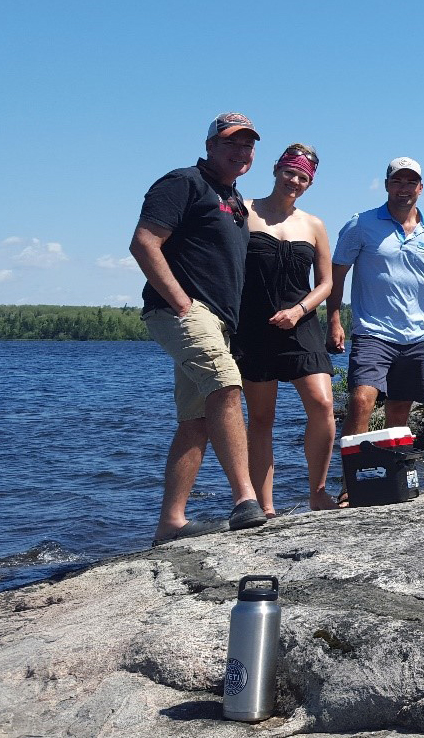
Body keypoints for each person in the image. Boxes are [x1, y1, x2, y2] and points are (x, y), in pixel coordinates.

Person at [129, 112, 267, 545]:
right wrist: (182, 303)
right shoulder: (183, 182)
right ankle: (246, 500)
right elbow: (143, 242)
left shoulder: (235, 200)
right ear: (210, 146)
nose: (240, 151)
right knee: (227, 386)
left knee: (196, 420)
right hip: (185, 312)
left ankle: (171, 523)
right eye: (231, 143)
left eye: (247, 145)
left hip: (219, 320)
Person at [234, 143, 337, 512]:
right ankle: (265, 506)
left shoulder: (314, 225)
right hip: (253, 327)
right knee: (262, 418)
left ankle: (318, 492)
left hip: (301, 324)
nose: (295, 181)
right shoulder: (243, 211)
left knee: (323, 405)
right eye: (290, 172)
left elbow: (325, 283)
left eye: (303, 177)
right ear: (276, 169)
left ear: (310, 183)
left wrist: (298, 311)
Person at [327, 157, 424, 446]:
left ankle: (390, 480)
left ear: (421, 188)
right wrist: (334, 319)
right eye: (397, 181)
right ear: (386, 185)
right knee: (362, 400)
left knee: (399, 411)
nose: (404, 187)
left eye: (411, 181)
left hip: (419, 336)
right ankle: (351, 486)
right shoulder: (360, 224)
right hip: (373, 332)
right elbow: (337, 273)